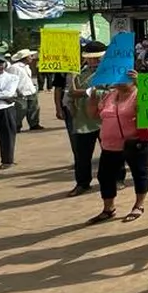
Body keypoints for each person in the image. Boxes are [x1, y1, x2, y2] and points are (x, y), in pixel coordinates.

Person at [86, 70, 148, 223]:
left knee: (139, 173)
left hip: (135, 142)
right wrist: (93, 96)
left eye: (123, 79)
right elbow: (93, 115)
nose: (119, 82)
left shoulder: (138, 94)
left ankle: (138, 205)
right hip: (110, 145)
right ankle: (108, 209)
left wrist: (140, 82)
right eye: (117, 78)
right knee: (105, 176)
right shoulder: (109, 95)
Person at [56, 41, 108, 196]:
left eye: (97, 58)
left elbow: (114, 92)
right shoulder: (78, 74)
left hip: (106, 119)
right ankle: (82, 183)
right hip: (83, 120)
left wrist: (87, 92)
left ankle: (116, 179)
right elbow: (69, 94)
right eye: (90, 58)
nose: (93, 61)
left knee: (110, 152)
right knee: (82, 155)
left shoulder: (111, 72)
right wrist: (69, 104)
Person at [8, 49, 43, 132]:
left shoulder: (26, 67)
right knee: (21, 109)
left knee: (34, 108)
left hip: (30, 90)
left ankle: (34, 124)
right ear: (25, 57)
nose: (32, 58)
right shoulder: (15, 67)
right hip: (21, 92)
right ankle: (16, 125)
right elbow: (12, 80)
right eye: (30, 56)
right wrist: (17, 91)